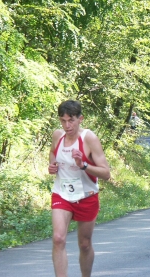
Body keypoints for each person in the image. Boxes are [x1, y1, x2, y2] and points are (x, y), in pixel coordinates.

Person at [47, 100, 111, 277]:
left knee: (84, 244)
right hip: (62, 194)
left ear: (80, 119)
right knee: (58, 239)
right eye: (63, 120)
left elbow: (106, 173)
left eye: (71, 120)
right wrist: (52, 165)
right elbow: (53, 153)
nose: (67, 126)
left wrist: (83, 165)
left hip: (86, 196)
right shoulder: (57, 136)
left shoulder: (89, 138)